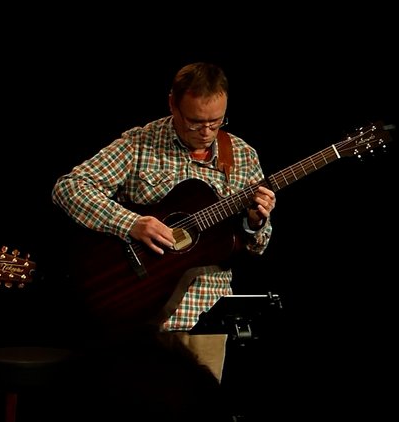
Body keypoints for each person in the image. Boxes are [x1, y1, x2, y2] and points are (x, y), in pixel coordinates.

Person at [51, 61, 276, 420]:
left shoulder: (243, 156)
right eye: (195, 121)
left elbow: (257, 244)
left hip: (205, 319)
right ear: (173, 103)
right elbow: (69, 188)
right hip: (139, 316)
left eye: (216, 122)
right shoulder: (140, 143)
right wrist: (131, 223)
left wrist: (254, 224)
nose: (206, 131)